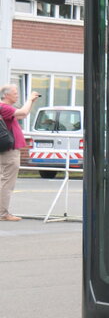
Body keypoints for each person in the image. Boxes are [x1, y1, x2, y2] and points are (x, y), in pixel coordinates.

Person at [0, 84, 41, 222]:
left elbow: (23, 114)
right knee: (7, 182)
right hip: (9, 152)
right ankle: (2, 213)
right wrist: (29, 99)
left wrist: (31, 102)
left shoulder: (6, 108)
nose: (17, 95)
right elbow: (23, 113)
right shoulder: (4, 107)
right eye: (15, 93)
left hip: (9, 150)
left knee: (5, 181)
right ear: (6, 95)